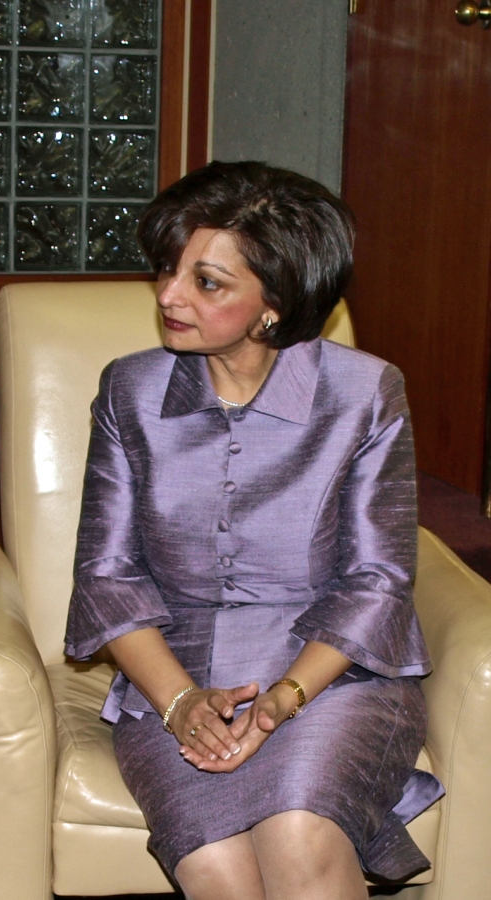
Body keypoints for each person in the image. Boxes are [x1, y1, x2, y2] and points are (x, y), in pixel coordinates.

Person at [63, 161, 443, 900]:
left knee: (299, 834)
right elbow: (107, 576)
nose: (168, 295)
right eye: (168, 269)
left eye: (206, 282)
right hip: (174, 677)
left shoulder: (365, 394)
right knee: (215, 866)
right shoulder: (129, 391)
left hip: (333, 677)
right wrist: (180, 704)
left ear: (273, 305)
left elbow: (379, 581)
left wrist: (282, 699)